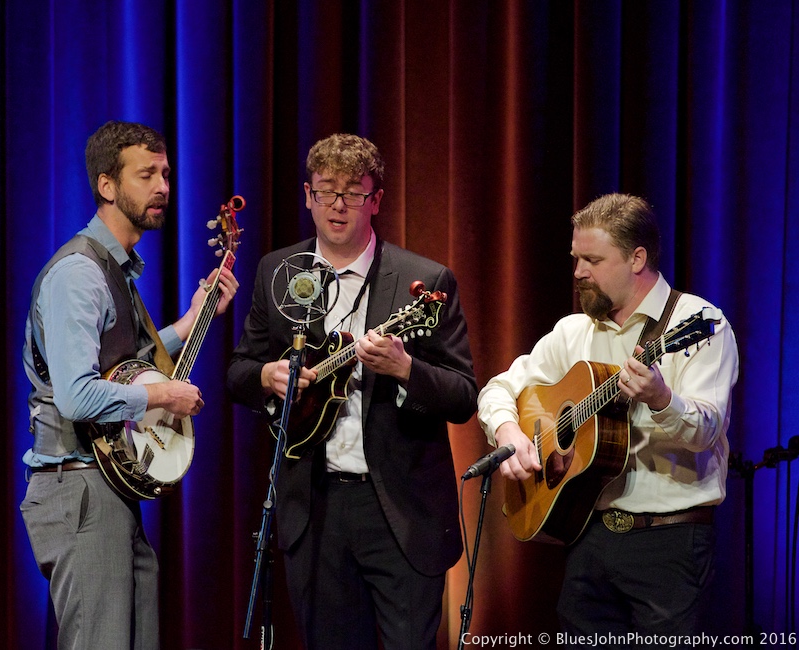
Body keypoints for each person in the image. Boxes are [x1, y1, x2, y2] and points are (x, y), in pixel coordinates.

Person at [227, 133, 477, 650]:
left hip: (400, 513)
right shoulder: (278, 271)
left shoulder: (424, 280)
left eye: (354, 192)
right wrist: (266, 376)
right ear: (306, 195)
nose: (338, 205)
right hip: (313, 510)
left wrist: (407, 369)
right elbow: (238, 372)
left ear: (376, 200)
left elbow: (462, 394)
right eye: (326, 191)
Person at [477, 193, 739, 641]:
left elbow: (708, 429)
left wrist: (661, 399)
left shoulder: (698, 322)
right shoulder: (574, 331)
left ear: (637, 258)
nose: (578, 272)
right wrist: (508, 431)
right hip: (589, 537)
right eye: (576, 258)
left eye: (593, 260)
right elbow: (500, 387)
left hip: (669, 544)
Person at [19, 120, 238, 649]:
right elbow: (76, 394)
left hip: (104, 488)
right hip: (79, 487)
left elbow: (120, 361)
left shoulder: (114, 269)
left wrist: (187, 324)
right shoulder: (80, 273)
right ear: (107, 185)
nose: (163, 186)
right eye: (146, 175)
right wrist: (162, 394)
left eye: (165, 173)